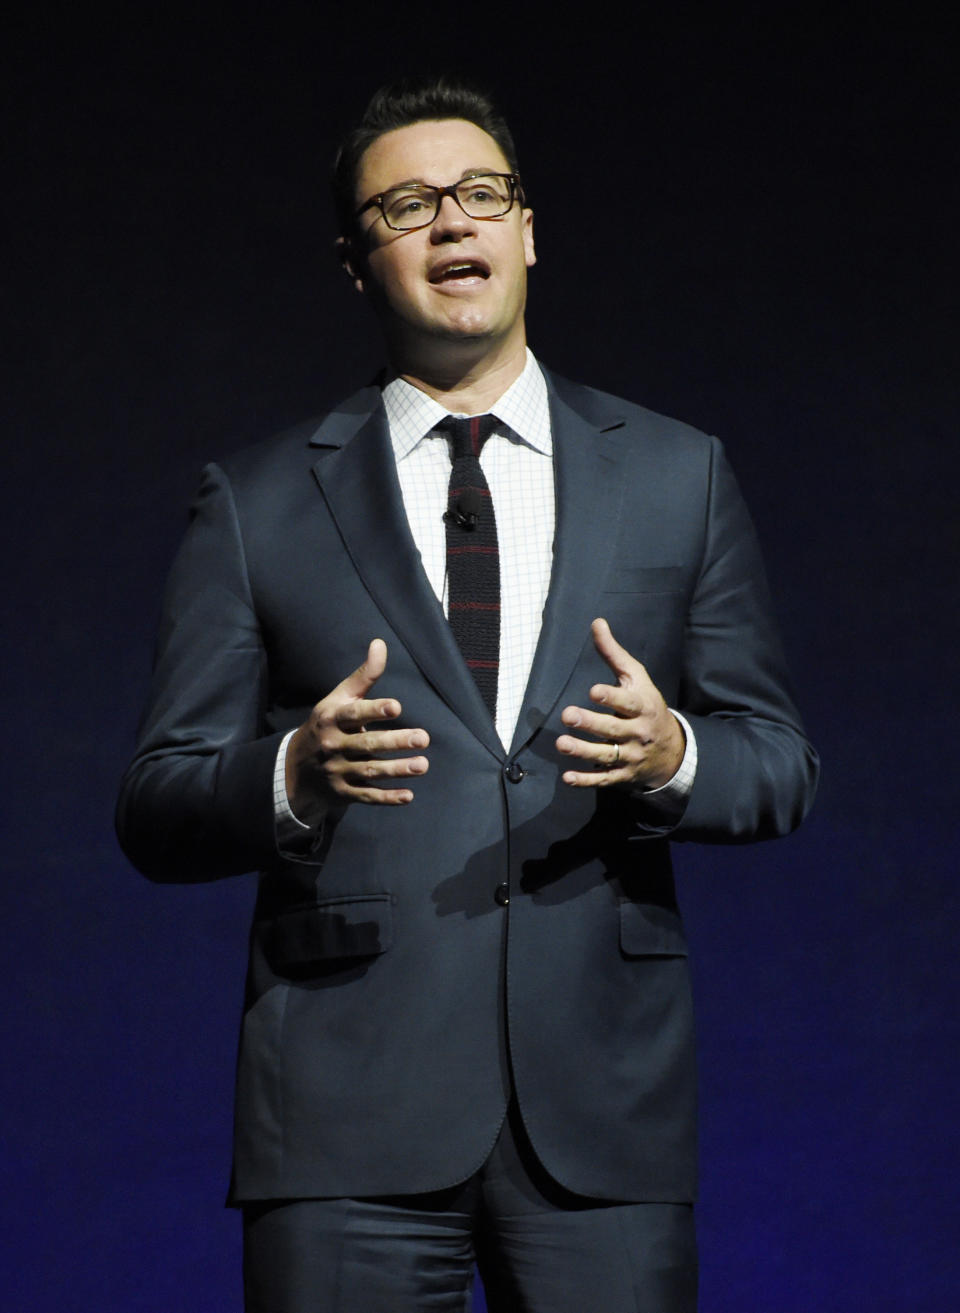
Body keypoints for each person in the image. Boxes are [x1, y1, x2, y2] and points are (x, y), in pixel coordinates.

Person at [117, 75, 819, 1313]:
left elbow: (778, 761)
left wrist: (673, 759)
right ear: (355, 262)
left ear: (528, 230)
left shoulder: (675, 475)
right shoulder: (260, 499)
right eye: (407, 207)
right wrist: (290, 772)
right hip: (344, 1116)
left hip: (604, 1111)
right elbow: (159, 801)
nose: (453, 224)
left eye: (481, 194)